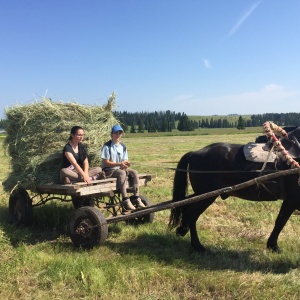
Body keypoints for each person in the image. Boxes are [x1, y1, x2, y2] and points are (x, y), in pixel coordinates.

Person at [101, 124, 145, 211]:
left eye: (120, 133)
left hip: (120, 168)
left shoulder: (123, 146)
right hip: (109, 170)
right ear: (112, 134)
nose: (118, 135)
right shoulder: (107, 146)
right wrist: (119, 164)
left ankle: (136, 197)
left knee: (134, 172)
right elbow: (106, 162)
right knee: (122, 173)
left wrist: (125, 164)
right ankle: (125, 199)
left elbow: (125, 160)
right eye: (116, 133)